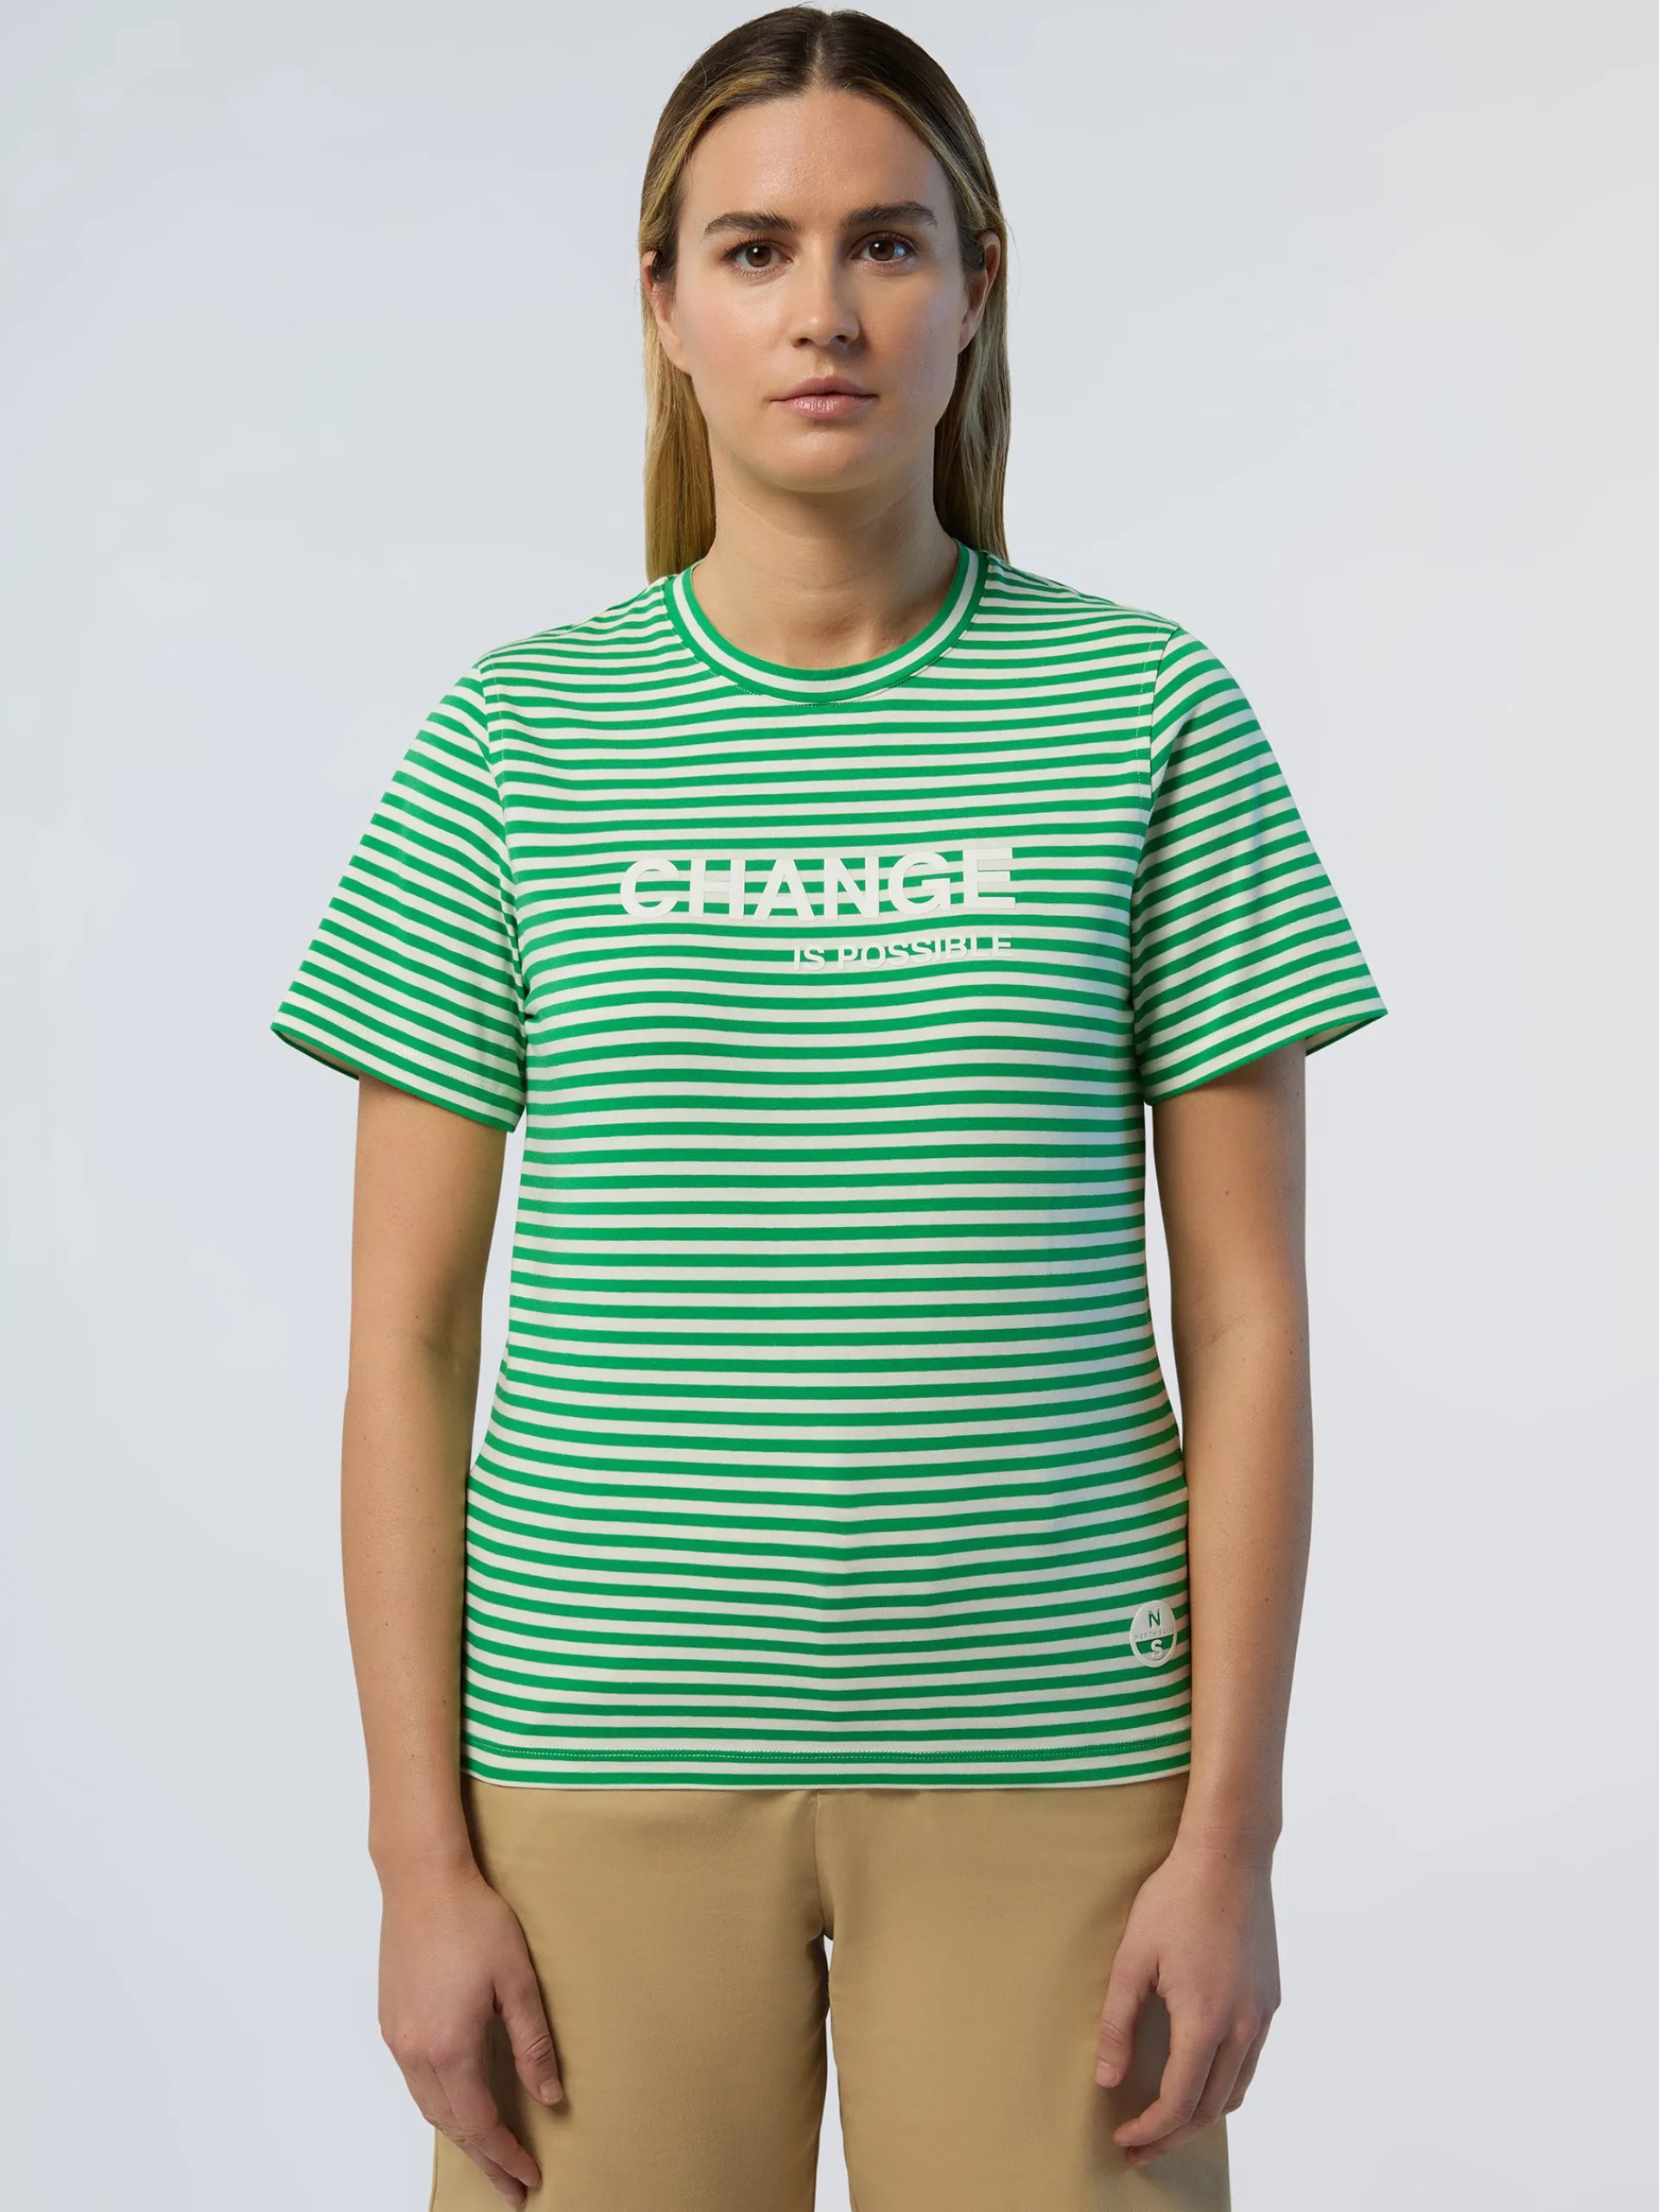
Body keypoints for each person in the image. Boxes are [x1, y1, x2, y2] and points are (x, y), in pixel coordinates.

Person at [270, 9, 1388, 2209]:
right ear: (666, 304)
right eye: (754, 248)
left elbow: (1249, 1318)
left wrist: (1232, 1835)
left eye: (887, 242)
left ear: (977, 285)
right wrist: (419, 1857)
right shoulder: (516, 737)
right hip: (598, 1761)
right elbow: (405, 1337)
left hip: (1059, 1764)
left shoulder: (1146, 712)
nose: (824, 309)